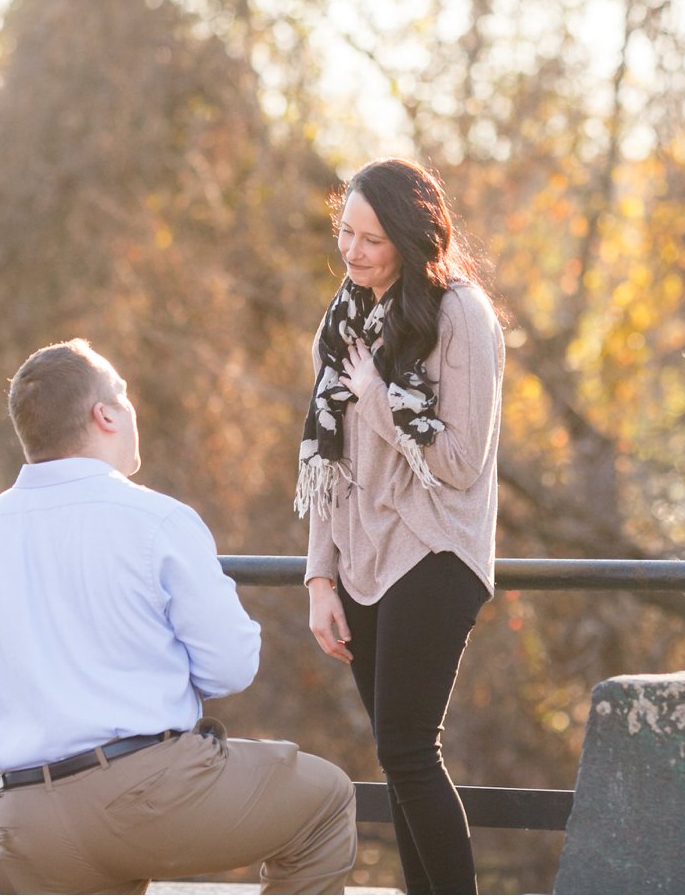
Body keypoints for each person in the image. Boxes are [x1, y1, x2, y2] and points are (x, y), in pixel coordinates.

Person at [0, 339, 357, 895]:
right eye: (124, 393)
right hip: (150, 797)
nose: (131, 407)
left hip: (22, 822)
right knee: (326, 799)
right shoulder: (156, 519)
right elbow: (231, 665)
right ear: (104, 414)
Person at [296, 159, 504, 894]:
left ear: (414, 240)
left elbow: (457, 460)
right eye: (345, 232)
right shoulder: (347, 316)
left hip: (436, 547)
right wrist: (320, 577)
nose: (352, 252)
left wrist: (380, 399)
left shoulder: (462, 317)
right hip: (360, 560)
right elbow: (330, 460)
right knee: (396, 755)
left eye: (371, 240)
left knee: (412, 750)